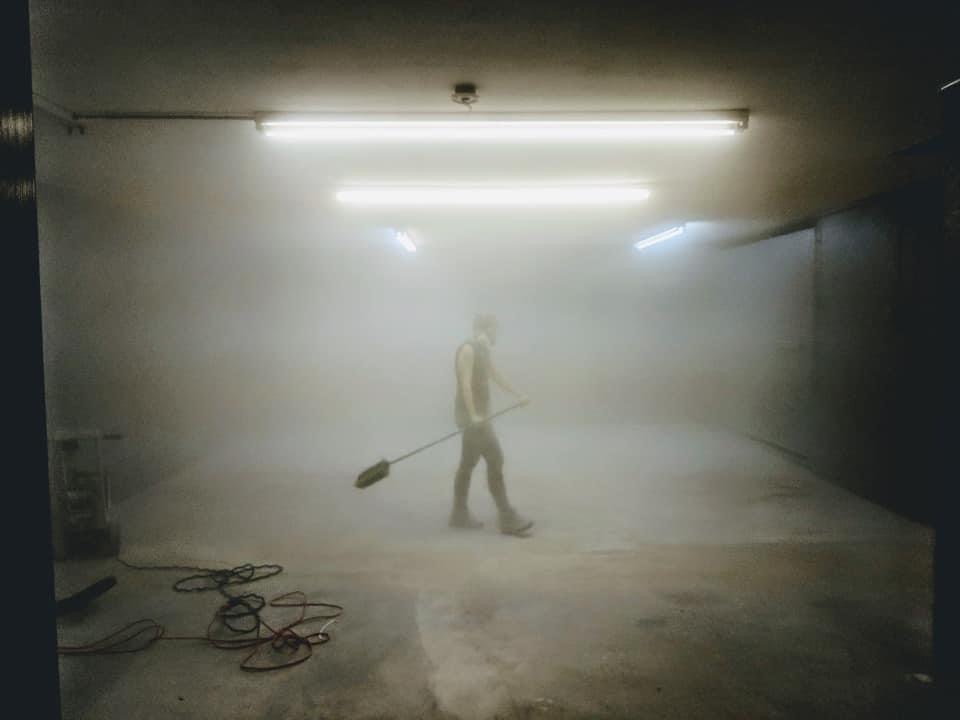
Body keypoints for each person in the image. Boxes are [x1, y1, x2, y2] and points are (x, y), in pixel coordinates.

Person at [450, 314, 534, 535]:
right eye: (495, 329)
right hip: (472, 418)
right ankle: (506, 516)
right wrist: (474, 416)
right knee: (495, 458)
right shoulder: (468, 350)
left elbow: (496, 376)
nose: (497, 334)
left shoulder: (483, 351)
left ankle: (458, 514)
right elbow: (465, 385)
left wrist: (519, 395)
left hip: (480, 417)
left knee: (468, 462)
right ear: (485, 329)